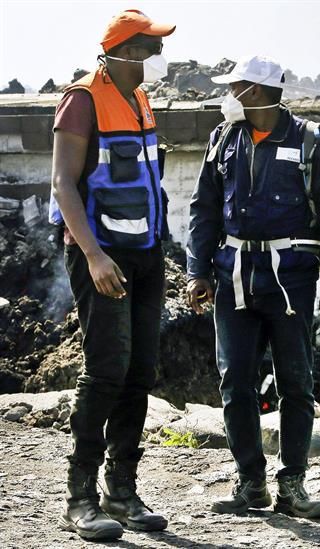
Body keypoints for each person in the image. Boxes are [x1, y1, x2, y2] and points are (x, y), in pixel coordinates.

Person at [186, 55, 320, 518]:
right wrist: (197, 271)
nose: (227, 95)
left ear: (253, 93)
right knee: (234, 381)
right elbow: (204, 210)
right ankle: (250, 482)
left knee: (296, 384)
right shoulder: (223, 139)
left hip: (291, 281)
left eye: (233, 86)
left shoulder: (311, 142)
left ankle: (293, 486)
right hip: (233, 276)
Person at [48, 9, 175, 541]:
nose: (159, 59)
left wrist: (163, 253)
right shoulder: (81, 100)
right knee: (105, 371)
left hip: (145, 254)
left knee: (139, 373)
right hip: (102, 256)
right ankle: (80, 498)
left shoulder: (139, 98)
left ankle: (121, 491)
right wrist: (96, 256)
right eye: (152, 48)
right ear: (126, 50)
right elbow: (62, 184)